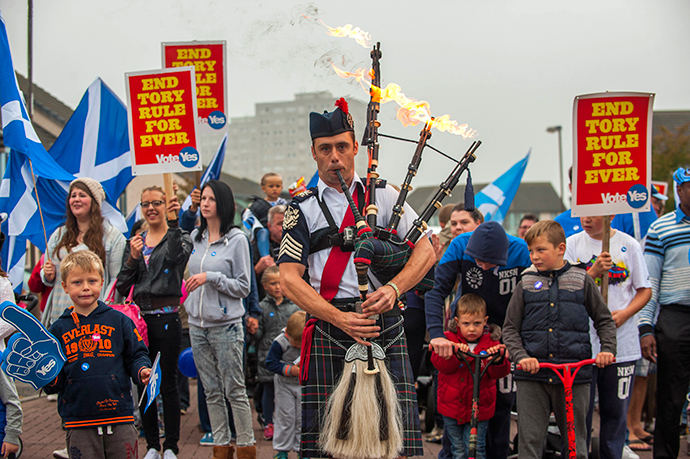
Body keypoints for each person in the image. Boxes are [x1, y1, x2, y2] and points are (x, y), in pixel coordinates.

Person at [278, 98, 436, 459]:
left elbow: (426, 249)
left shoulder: (385, 195)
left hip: (385, 324)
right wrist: (340, 318)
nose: (335, 156)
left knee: (390, 443)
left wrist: (396, 287)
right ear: (315, 154)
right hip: (331, 327)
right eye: (325, 149)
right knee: (329, 447)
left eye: (342, 147)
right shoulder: (299, 209)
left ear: (355, 150)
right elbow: (289, 279)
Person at [502, 220, 617, 459]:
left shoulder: (581, 280)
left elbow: (604, 320)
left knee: (576, 443)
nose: (535, 256)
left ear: (560, 248)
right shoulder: (525, 283)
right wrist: (522, 357)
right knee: (530, 442)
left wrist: (607, 349)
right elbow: (510, 329)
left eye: (541, 250)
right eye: (531, 251)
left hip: (574, 375)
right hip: (533, 375)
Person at [426, 220, 531, 459]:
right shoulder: (458, 245)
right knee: (458, 405)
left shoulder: (520, 250)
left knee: (501, 405)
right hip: (466, 333)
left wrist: (516, 342)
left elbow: (531, 298)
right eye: (477, 261)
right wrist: (438, 336)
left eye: (489, 262)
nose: (482, 267)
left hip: (503, 338)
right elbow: (436, 290)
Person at [45, 251, 151, 458]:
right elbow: (53, 378)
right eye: (77, 282)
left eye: (91, 281)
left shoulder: (119, 321)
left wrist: (142, 371)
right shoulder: (57, 329)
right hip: (78, 420)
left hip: (119, 417)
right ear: (65, 286)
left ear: (102, 282)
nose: (85, 287)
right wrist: (45, 376)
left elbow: (137, 355)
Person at [564, 215, 651, 458]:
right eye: (583, 212)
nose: (586, 219)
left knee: (615, 414)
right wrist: (591, 272)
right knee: (579, 415)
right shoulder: (571, 244)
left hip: (621, 347)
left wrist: (624, 314)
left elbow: (644, 290)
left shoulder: (629, 244)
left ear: (610, 215)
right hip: (582, 347)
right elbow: (564, 288)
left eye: (593, 214)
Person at [117, 185, 192, 459]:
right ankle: (151, 445)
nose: (151, 208)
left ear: (165, 205)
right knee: (143, 381)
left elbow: (176, 258)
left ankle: (171, 445)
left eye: (157, 203)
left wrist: (174, 222)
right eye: (145, 203)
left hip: (167, 319)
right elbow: (124, 285)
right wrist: (134, 258)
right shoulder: (135, 241)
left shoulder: (180, 235)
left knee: (168, 382)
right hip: (139, 322)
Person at [185, 180, 256, 459]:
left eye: (211, 199)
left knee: (234, 389)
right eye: (203, 198)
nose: (205, 203)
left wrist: (210, 278)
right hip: (197, 326)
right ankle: (221, 448)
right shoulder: (195, 237)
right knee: (211, 391)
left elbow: (243, 286)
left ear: (223, 203)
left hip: (226, 327)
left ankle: (247, 446)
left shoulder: (237, 240)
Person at [638, 167, 690, 457]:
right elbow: (651, 282)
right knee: (670, 398)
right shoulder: (661, 228)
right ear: (679, 190)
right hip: (675, 317)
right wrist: (646, 327)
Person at [430, 294, 510, 459]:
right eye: (466, 324)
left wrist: (496, 359)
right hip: (451, 408)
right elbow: (440, 365)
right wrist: (456, 356)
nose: (472, 329)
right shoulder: (449, 340)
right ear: (458, 322)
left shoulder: (491, 343)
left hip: (479, 410)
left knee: (476, 449)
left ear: (485, 322)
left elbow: (500, 373)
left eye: (477, 324)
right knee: (457, 450)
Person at [41, 177, 126, 328]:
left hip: (94, 319)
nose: (76, 199)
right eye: (73, 196)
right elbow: (48, 276)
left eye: (82, 195)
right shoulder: (59, 234)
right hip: (61, 316)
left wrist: (104, 310)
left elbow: (115, 279)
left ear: (94, 202)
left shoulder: (112, 236)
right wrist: (46, 274)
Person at [255, 265, 299, 441]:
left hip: (290, 357)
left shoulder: (294, 306)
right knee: (268, 391)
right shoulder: (262, 307)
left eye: (279, 282)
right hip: (268, 355)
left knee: (288, 393)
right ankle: (268, 422)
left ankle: (290, 423)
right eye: (272, 283)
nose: (277, 287)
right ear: (265, 286)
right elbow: (259, 335)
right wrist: (253, 329)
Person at [265, 310, 306, 459]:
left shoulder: (308, 341)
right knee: (285, 416)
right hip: (284, 385)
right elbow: (270, 363)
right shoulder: (280, 342)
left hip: (303, 384)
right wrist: (289, 370)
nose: (296, 347)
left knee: (302, 416)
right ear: (287, 333)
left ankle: (302, 449)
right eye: (295, 343)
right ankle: (282, 449)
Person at [243, 172, 289, 259]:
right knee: (263, 232)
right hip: (264, 229)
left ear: (282, 188)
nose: (274, 189)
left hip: (281, 235)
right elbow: (247, 218)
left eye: (277, 186)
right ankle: (265, 257)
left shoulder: (285, 203)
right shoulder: (258, 204)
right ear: (264, 188)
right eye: (271, 186)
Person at [253, 205, 286, 300]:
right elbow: (243, 280)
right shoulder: (256, 249)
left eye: (287, 223)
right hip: (265, 304)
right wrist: (257, 270)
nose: (284, 227)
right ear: (269, 226)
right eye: (280, 224)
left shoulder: (299, 246)